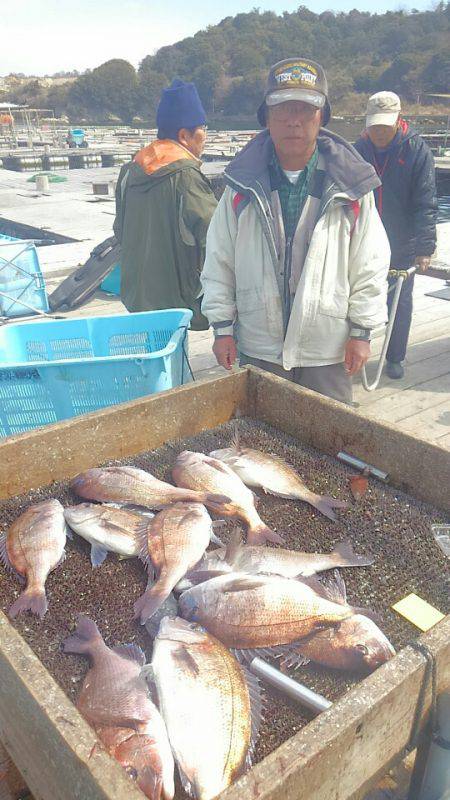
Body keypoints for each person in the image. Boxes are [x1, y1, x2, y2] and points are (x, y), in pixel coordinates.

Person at [201, 58, 390, 403]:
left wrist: (362, 331)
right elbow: (218, 260)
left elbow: (371, 264)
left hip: (327, 349)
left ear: (322, 116)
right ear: (266, 118)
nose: (293, 120)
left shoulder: (352, 187)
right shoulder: (239, 188)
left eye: (305, 109)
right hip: (260, 346)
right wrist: (222, 328)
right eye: (282, 109)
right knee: (261, 444)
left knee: (332, 443)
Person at [114, 79, 217, 330]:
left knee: (153, 357)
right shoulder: (187, 177)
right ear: (184, 135)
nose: (205, 136)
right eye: (203, 128)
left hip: (137, 293)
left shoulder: (130, 171)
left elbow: (120, 230)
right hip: (177, 300)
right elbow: (215, 237)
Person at [354, 92, 437, 380]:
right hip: (362, 238)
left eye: (384, 126)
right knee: (353, 296)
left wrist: (425, 247)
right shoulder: (359, 148)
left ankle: (395, 356)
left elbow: (425, 200)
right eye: (373, 125)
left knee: (399, 301)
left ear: (399, 120)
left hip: (401, 240)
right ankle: (349, 352)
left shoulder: (416, 149)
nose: (378, 132)